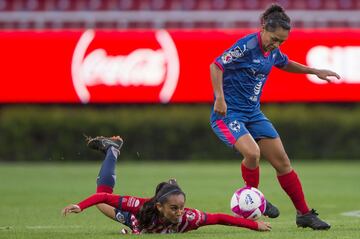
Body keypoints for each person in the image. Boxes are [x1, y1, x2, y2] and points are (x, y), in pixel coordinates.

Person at [209, 3, 339, 230]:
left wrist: (314, 71)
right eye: (274, 38)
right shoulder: (247, 46)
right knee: (252, 153)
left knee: (283, 162)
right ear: (263, 28)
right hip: (229, 115)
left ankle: (304, 214)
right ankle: (255, 199)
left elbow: (284, 62)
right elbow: (216, 65)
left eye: (282, 41)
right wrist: (219, 98)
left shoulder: (272, 51)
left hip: (253, 113)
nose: (276, 44)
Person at [62, 136, 272, 234]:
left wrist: (255, 225)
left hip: (140, 226)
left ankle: (112, 149)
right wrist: (80, 206)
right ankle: (112, 150)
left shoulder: (188, 218)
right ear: (159, 206)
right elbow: (105, 198)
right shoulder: (140, 206)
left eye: (181, 206)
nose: (180, 212)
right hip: (133, 219)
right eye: (174, 208)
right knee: (102, 196)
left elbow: (219, 218)